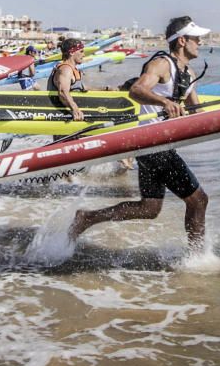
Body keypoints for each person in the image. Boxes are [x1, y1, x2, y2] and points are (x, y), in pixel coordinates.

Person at [69, 16, 212, 253]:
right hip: (152, 143)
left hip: (155, 147)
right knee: (198, 200)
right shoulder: (162, 64)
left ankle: (87, 217)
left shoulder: (188, 72)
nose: (200, 42)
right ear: (182, 40)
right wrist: (164, 102)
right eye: (196, 38)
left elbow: (197, 113)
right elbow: (137, 90)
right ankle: (197, 259)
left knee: (149, 209)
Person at [46, 38, 88, 122]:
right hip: (67, 117)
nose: (84, 55)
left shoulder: (73, 69)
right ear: (72, 52)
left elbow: (82, 87)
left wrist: (106, 89)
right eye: (81, 51)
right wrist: (75, 109)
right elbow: (62, 92)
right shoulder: (65, 69)